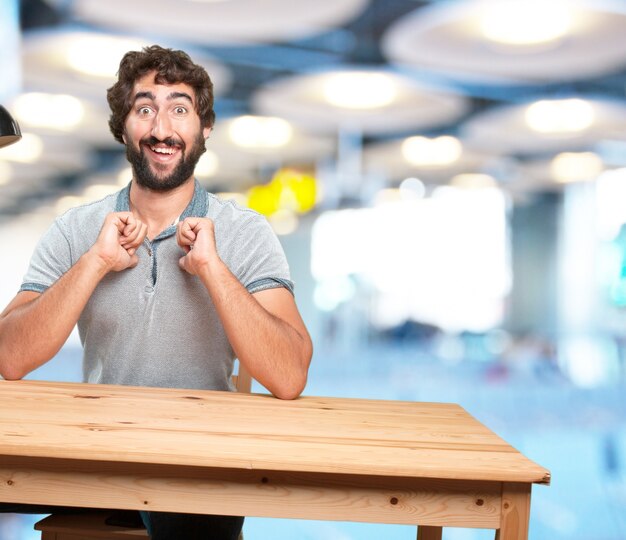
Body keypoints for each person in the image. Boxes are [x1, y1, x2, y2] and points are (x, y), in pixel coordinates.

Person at [0, 45, 313, 540]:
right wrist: (95, 262)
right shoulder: (76, 229)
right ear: (123, 127)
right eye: (144, 109)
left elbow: (290, 374)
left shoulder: (245, 231)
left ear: (204, 128)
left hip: (202, 464)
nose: (162, 129)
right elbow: (10, 356)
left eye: (180, 109)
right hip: (98, 456)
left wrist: (211, 268)